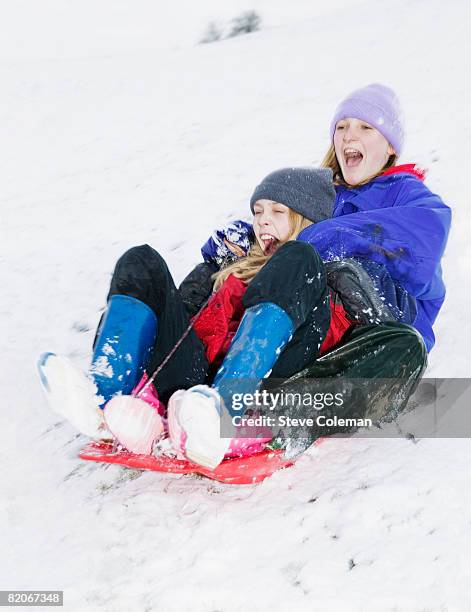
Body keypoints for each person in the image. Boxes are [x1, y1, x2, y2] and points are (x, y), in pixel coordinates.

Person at [41, 168, 363, 469]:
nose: (263, 221)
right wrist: (212, 271)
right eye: (258, 212)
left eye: (278, 212)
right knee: (142, 260)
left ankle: (221, 411)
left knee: (298, 257)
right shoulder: (225, 267)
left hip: (262, 389)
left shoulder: (321, 273)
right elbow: (179, 314)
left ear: (307, 222)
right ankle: (102, 399)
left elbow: (338, 340)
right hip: (195, 382)